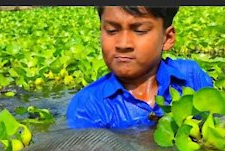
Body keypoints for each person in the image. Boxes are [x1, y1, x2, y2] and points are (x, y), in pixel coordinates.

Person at [66, 6, 213, 129]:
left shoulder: (191, 76)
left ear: (167, 38)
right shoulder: (87, 105)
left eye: (140, 30)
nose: (123, 44)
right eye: (111, 30)